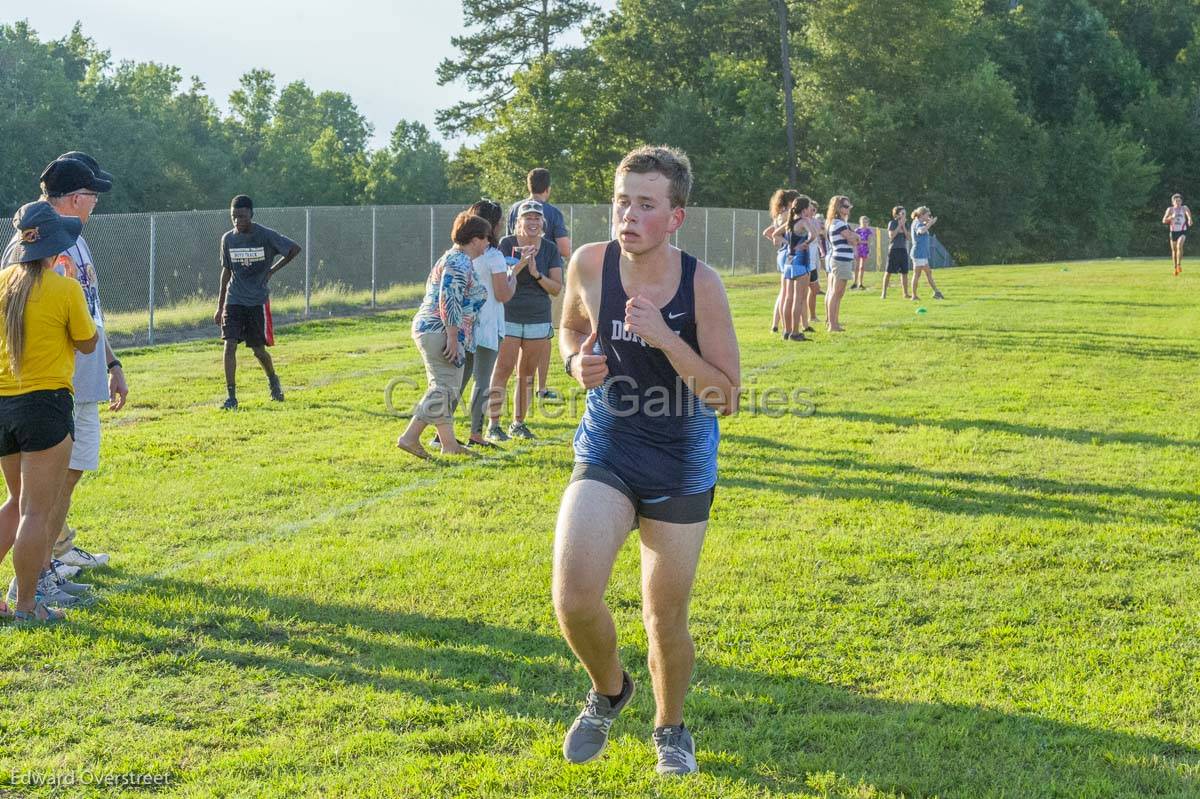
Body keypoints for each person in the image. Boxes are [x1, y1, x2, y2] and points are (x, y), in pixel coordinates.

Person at [554, 146, 740, 776]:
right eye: (621, 201)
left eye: (645, 204)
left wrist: (665, 337)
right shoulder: (589, 263)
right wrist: (575, 361)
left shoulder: (700, 285)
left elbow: (726, 394)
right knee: (574, 597)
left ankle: (670, 727)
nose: (628, 216)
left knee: (664, 617)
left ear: (675, 217)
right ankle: (610, 690)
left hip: (682, 454)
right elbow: (571, 329)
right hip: (609, 438)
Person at [0, 155, 124, 595]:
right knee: (40, 498)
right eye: (92, 196)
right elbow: (77, 325)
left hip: (21, 395)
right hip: (50, 389)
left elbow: (88, 310)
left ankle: (53, 554)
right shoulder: (50, 254)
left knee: (27, 498)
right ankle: (35, 580)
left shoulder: (56, 243)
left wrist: (113, 363)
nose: (94, 204)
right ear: (75, 198)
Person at [0, 202, 98, 623]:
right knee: (35, 512)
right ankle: (26, 606)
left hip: (3, 405)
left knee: (15, 501)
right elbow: (87, 342)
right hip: (46, 405)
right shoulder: (64, 288)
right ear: (54, 245)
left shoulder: (2, 283)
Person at [397, 213, 490, 459]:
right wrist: (452, 336)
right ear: (474, 239)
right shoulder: (459, 262)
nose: (488, 243)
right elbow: (448, 299)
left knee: (443, 386)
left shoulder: (455, 258)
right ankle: (410, 437)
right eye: (485, 238)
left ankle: (449, 444)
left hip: (436, 329)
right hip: (441, 331)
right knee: (444, 388)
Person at [213, 195, 301, 410]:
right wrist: (220, 305)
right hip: (234, 300)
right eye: (234, 217)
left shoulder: (265, 235)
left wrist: (272, 270)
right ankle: (231, 397)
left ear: (251, 214)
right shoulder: (228, 239)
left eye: (242, 217)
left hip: (256, 301)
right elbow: (226, 272)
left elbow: (294, 249)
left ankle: (273, 380)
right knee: (229, 344)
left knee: (258, 350)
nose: (237, 221)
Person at [487, 200, 563, 442]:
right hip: (508, 315)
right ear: (518, 222)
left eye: (536, 218)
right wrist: (519, 266)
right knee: (503, 369)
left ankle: (518, 423)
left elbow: (556, 288)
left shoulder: (549, 249)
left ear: (543, 222)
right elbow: (498, 281)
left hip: (538, 318)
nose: (532, 222)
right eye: (527, 218)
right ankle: (493, 424)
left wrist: (536, 273)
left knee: (527, 373)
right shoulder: (507, 244)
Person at [507, 168, 571, 402]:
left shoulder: (515, 208)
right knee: (544, 338)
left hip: (513, 286)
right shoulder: (551, 212)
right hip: (540, 284)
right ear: (548, 189)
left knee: (511, 351)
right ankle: (541, 388)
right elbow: (564, 249)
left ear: (529, 186)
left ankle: (517, 393)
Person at [458, 200, 516, 448]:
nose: (502, 225)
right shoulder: (493, 256)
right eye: (500, 221)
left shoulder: (461, 253)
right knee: (483, 381)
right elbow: (503, 295)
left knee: (458, 381)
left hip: (465, 323)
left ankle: (441, 433)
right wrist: (514, 277)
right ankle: (476, 434)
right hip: (488, 325)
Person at [779, 195, 816, 341]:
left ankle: (786, 331)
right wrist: (806, 242)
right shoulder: (803, 221)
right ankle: (795, 332)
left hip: (789, 262)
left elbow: (775, 234)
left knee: (788, 298)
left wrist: (791, 246)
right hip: (800, 263)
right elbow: (814, 234)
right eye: (809, 208)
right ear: (805, 209)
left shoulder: (789, 222)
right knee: (799, 299)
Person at [762, 188, 798, 333]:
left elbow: (768, 232)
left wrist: (778, 240)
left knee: (783, 292)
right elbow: (775, 233)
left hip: (782, 254)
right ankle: (785, 326)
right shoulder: (786, 215)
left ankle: (776, 325)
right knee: (787, 293)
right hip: (786, 254)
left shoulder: (779, 215)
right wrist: (786, 243)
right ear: (790, 201)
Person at [824, 196, 856, 331]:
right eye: (845, 206)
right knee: (836, 293)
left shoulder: (838, 223)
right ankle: (833, 324)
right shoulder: (840, 224)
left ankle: (833, 322)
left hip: (840, 259)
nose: (848, 209)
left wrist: (854, 237)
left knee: (835, 293)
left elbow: (853, 238)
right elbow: (852, 238)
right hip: (841, 260)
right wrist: (855, 236)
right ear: (838, 208)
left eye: (849, 206)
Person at [909, 206, 944, 300]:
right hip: (918, 254)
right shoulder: (917, 223)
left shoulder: (920, 222)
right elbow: (921, 230)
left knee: (928, 272)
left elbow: (924, 225)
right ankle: (914, 296)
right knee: (917, 274)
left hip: (923, 254)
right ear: (922, 215)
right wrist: (930, 223)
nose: (929, 216)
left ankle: (937, 292)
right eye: (927, 214)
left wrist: (929, 222)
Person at [882, 206, 911, 300]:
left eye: (905, 213)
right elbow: (891, 236)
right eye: (902, 213)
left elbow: (908, 237)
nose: (904, 215)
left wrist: (903, 226)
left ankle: (905, 294)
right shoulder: (892, 223)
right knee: (888, 272)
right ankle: (884, 293)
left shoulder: (906, 224)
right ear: (897, 214)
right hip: (894, 249)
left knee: (905, 272)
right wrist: (899, 226)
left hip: (903, 250)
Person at [1162, 193, 1191, 276]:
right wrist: (1171, 217)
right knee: (1174, 250)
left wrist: (1189, 220)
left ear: (1181, 201)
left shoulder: (1184, 208)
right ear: (1173, 202)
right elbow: (1163, 220)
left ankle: (1179, 264)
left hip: (1182, 231)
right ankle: (1175, 268)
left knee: (1179, 246)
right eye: (1176, 201)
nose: (1178, 202)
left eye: (1179, 201)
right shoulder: (1170, 209)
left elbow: (1189, 216)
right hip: (1173, 232)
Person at [852, 216, 872, 290]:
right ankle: (855, 282)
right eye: (863, 221)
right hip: (858, 249)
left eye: (866, 222)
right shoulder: (857, 230)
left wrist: (860, 241)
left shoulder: (868, 231)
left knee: (862, 267)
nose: (864, 223)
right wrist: (855, 248)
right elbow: (854, 241)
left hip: (864, 249)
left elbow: (868, 241)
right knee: (856, 266)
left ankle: (860, 283)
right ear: (860, 222)